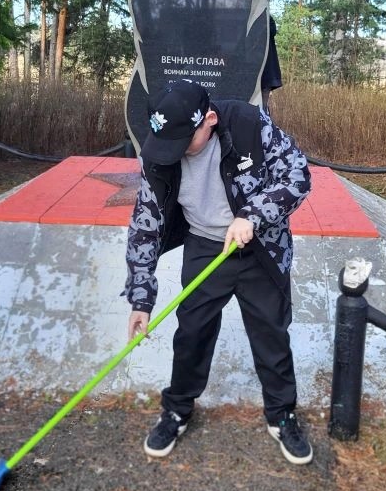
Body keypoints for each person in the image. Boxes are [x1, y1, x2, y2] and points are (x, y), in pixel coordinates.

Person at [123, 78, 313, 465]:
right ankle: (177, 410)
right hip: (205, 246)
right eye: (167, 142)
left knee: (272, 334)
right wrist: (141, 298)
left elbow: (297, 176)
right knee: (191, 333)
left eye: (183, 140)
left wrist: (252, 215)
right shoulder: (161, 150)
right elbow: (146, 224)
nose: (173, 151)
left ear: (208, 119)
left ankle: (282, 415)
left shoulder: (248, 124)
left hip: (260, 246)